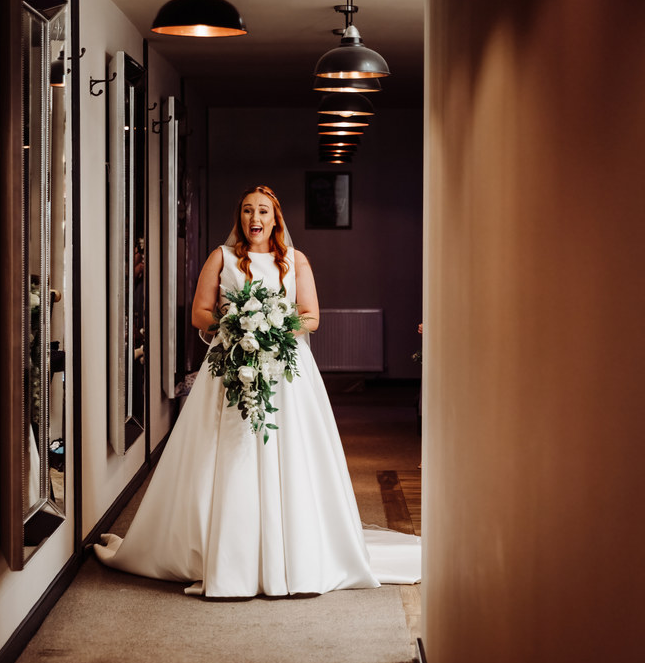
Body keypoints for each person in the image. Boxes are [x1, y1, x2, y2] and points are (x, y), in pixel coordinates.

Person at [95, 185, 420, 597]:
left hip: (286, 373)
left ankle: (292, 551)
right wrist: (235, 324)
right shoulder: (221, 257)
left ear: (275, 218)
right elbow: (199, 313)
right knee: (230, 451)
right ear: (240, 217)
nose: (255, 218)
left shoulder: (296, 261)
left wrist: (272, 325)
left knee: (290, 451)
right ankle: (224, 551)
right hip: (231, 364)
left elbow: (312, 317)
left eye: (263, 211)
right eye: (248, 210)